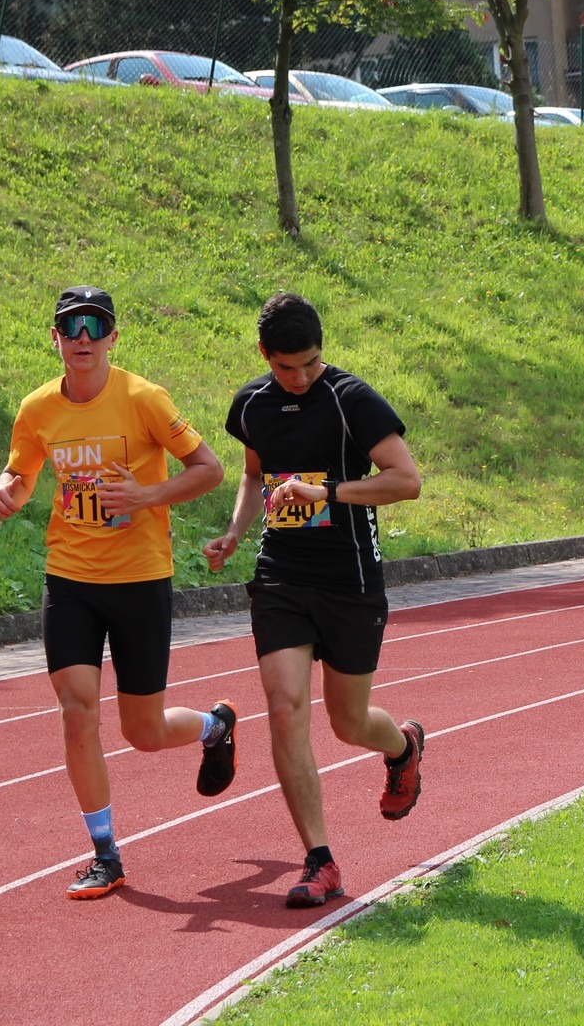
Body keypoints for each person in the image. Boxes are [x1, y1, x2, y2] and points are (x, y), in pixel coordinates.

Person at [0, 286, 231, 902]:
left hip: (139, 578)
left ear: (113, 337)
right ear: (56, 339)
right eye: (72, 327)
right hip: (71, 578)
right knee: (77, 710)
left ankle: (214, 726)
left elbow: (209, 469)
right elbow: (23, 470)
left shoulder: (144, 399)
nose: (83, 338)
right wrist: (6, 490)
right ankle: (105, 853)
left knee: (142, 732)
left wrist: (148, 496)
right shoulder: (38, 407)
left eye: (96, 326)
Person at [202, 293, 425, 909]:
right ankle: (320, 860)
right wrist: (235, 532)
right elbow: (254, 473)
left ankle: (403, 746)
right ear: (263, 354)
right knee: (284, 707)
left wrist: (325, 492)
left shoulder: (352, 399)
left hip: (349, 581)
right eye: (286, 367)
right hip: (281, 577)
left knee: (348, 723)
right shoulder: (252, 404)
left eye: (310, 364)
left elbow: (406, 481)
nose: (300, 378)